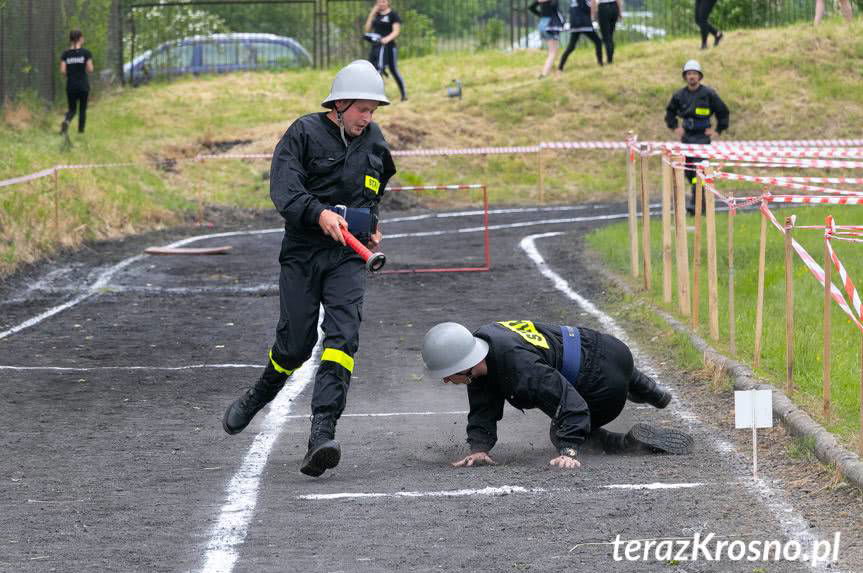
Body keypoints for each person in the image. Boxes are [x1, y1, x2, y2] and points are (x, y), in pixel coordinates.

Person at [222, 60, 397, 478]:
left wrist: (372, 226)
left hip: (347, 257)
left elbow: (374, 192)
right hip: (302, 252)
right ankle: (261, 392)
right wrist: (318, 213)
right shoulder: (302, 133)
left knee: (342, 338)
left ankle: (322, 432)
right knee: (296, 345)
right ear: (339, 104)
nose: (368, 118)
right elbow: (284, 190)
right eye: (362, 110)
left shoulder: (375, 142)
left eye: (373, 111)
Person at [421, 321, 694, 469]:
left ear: (466, 364)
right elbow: (484, 407)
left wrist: (568, 449)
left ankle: (629, 442)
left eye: (448, 373)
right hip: (609, 347)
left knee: (563, 430)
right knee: (590, 367)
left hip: (604, 383)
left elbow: (570, 403)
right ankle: (648, 389)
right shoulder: (485, 344)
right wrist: (479, 449)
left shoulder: (519, 368)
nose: (446, 380)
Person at [664, 60, 729, 214]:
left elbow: (723, 111)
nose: (691, 76)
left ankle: (697, 205)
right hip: (686, 139)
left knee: (699, 171)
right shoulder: (679, 95)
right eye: (689, 74)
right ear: (685, 76)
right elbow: (670, 113)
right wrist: (675, 127)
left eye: (694, 73)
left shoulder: (708, 94)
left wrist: (718, 130)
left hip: (702, 139)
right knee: (689, 172)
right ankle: (699, 201)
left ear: (699, 76)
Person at [365, 0, 407, 102]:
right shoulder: (377, 15)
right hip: (377, 47)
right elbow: (367, 29)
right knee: (376, 70)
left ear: (388, 2)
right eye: (379, 2)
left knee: (393, 70)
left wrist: (386, 39)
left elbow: (396, 31)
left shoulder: (393, 15)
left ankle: (404, 94)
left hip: (389, 47)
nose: (381, 3)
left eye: (383, 1)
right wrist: (372, 13)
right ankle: (378, 96)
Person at [59, 30, 93, 135]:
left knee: (72, 109)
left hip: (71, 85)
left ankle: (66, 121)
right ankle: (80, 132)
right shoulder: (86, 53)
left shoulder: (65, 54)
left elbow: (62, 71)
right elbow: (90, 69)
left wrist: (70, 74)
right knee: (82, 109)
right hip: (83, 86)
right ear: (80, 38)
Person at [559, 0, 603, 70]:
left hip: (575, 25)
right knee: (598, 42)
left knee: (571, 46)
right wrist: (592, 11)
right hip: (584, 24)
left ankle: (560, 66)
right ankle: (600, 63)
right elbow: (586, 7)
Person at [529, 0, 565, 78]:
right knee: (553, 52)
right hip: (551, 24)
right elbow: (555, 8)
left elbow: (531, 7)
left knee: (552, 51)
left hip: (542, 23)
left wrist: (540, 14)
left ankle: (550, 70)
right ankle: (544, 74)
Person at [592, 0, 623, 64]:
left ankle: (609, 59)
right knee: (610, 35)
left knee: (606, 36)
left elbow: (593, 1)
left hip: (603, 7)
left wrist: (594, 14)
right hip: (614, 6)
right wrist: (620, 11)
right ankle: (610, 58)